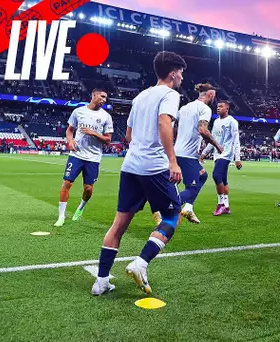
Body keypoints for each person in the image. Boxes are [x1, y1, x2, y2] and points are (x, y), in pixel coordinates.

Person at [91, 51, 186, 296]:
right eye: (181, 73)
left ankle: (101, 281)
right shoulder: (170, 94)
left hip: (131, 165)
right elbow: (165, 123)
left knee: (119, 224)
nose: (182, 78)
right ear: (173, 72)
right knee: (172, 216)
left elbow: (129, 136)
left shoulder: (141, 96)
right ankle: (140, 263)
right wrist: (172, 161)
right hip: (153, 167)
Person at [152, 83, 223, 225]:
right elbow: (203, 130)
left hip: (179, 151)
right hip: (187, 155)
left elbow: (174, 128)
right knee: (191, 188)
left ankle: (188, 208)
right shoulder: (205, 109)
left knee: (203, 176)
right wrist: (217, 145)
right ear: (210, 95)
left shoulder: (184, 108)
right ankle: (162, 208)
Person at [54, 89, 113, 227]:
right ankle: (61, 216)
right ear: (93, 95)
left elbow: (108, 140)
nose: (104, 100)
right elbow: (69, 129)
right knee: (67, 183)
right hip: (76, 154)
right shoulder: (78, 111)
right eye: (102, 96)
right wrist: (70, 141)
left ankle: (80, 208)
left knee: (88, 189)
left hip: (93, 157)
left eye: (106, 98)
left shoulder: (106, 117)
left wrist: (94, 133)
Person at [200, 100, 242, 216]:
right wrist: (204, 153)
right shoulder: (216, 122)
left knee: (216, 175)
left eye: (221, 106)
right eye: (217, 106)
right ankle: (227, 206)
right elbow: (213, 140)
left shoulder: (232, 122)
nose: (218, 108)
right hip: (217, 154)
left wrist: (237, 158)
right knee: (223, 180)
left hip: (226, 153)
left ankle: (221, 205)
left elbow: (236, 140)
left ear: (227, 109)